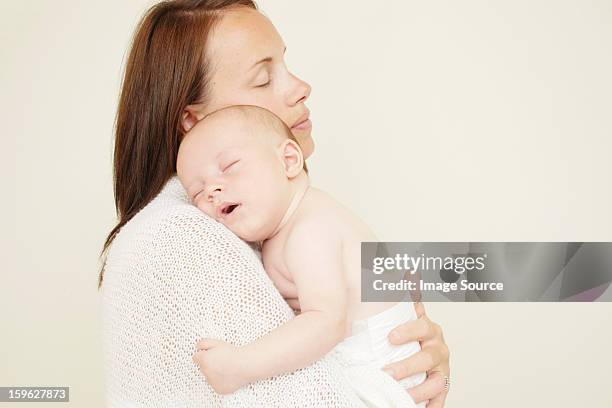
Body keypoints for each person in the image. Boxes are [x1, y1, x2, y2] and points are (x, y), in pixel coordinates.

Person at [99, 1, 450, 406]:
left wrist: (419, 371)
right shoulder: (181, 238)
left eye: (285, 64)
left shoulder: (261, 219)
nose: (301, 86)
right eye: (264, 78)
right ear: (193, 120)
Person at [177, 105, 427, 407]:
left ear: (289, 161)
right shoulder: (283, 226)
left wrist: (240, 366)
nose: (213, 190)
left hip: (377, 372)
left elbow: (328, 323)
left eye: (229, 166)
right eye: (197, 193)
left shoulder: (310, 230)